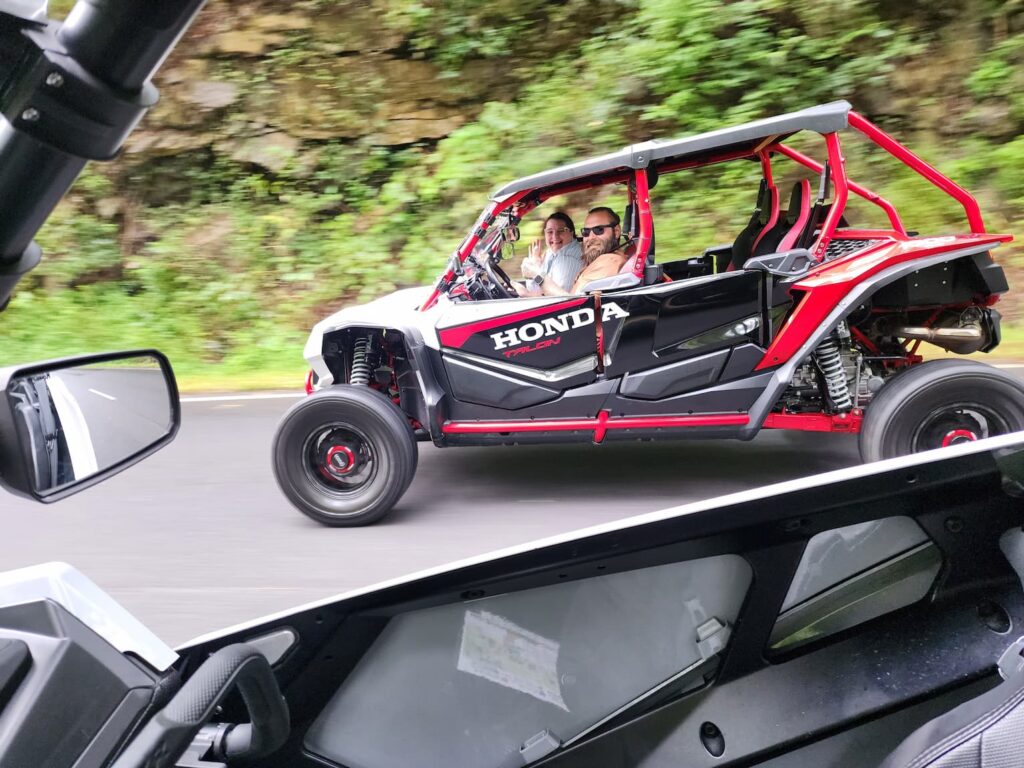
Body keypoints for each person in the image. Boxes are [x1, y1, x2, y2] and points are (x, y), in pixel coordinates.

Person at [532, 206, 629, 296]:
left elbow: (571, 302)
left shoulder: (609, 261)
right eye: (586, 232)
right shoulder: (598, 261)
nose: (591, 237)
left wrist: (536, 275)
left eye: (599, 230)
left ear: (616, 231)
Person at [515, 211, 584, 296]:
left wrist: (526, 294)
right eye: (550, 232)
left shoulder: (567, 260)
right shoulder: (551, 253)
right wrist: (537, 265)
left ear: (571, 232)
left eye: (561, 231)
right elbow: (536, 287)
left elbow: (558, 298)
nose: (555, 236)